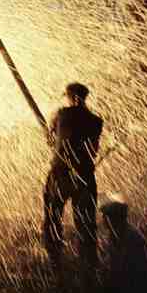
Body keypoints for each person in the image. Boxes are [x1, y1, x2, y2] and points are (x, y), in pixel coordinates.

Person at [42, 82, 104, 268]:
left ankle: (54, 260)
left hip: (60, 173)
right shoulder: (96, 121)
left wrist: (51, 136)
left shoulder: (60, 114)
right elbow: (93, 151)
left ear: (70, 97)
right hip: (84, 175)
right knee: (86, 223)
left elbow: (50, 139)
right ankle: (89, 264)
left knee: (53, 216)